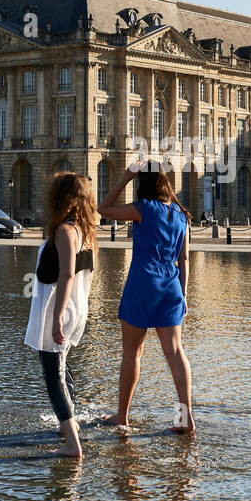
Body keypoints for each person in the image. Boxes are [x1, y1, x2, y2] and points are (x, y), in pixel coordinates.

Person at [97, 163, 195, 433]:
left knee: (132, 352)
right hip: (172, 285)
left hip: (143, 282)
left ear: (144, 184)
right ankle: (185, 419)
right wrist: (183, 295)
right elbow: (184, 259)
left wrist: (124, 178)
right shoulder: (180, 213)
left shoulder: (143, 209)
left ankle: (122, 417)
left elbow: (102, 209)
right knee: (176, 353)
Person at [24, 172, 98, 458]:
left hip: (59, 309)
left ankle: (71, 444)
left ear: (61, 198)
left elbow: (66, 275)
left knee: (53, 375)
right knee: (62, 368)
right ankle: (70, 426)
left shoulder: (65, 231)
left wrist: (56, 318)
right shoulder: (84, 230)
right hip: (72, 307)